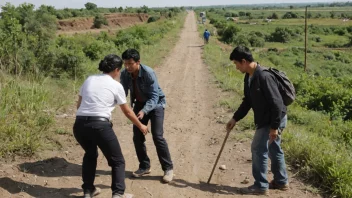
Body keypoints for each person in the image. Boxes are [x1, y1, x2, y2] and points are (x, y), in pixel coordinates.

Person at [74, 54, 149, 198]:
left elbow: (79, 105)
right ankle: (118, 193)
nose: (120, 73)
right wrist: (140, 125)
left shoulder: (89, 79)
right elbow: (127, 111)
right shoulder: (116, 85)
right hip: (100, 125)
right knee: (117, 161)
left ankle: (88, 191)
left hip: (80, 125)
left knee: (90, 155)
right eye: (119, 70)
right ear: (116, 70)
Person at [226, 46, 289, 195]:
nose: (236, 67)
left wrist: (274, 127)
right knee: (274, 148)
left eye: (236, 64)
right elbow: (248, 101)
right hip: (269, 119)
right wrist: (235, 118)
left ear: (244, 61)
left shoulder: (263, 76)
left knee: (258, 148)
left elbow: (277, 104)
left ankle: (260, 186)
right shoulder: (249, 76)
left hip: (273, 119)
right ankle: (281, 182)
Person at [120, 49, 174, 183]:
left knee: (157, 136)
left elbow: (154, 96)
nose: (127, 67)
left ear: (138, 62)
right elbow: (122, 92)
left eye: (130, 64)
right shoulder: (125, 74)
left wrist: (144, 111)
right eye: (125, 64)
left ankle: (168, 168)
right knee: (137, 136)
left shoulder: (148, 73)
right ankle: (144, 166)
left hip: (156, 104)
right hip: (139, 103)